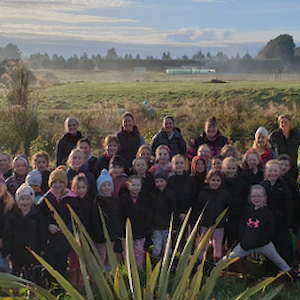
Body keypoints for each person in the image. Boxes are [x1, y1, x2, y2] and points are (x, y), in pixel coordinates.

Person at [215, 185, 292, 276]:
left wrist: (257, 242)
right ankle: (213, 270)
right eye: (254, 196)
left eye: (259, 196)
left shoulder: (268, 213)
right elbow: (242, 227)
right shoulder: (246, 210)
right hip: (246, 245)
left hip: (264, 245)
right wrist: (244, 241)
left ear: (265, 197)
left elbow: (269, 232)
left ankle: (290, 275)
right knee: (230, 257)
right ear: (250, 197)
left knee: (278, 260)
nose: (256, 198)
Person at [37, 166, 79, 277]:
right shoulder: (46, 199)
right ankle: (48, 288)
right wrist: (48, 225)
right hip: (50, 240)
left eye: (61, 182)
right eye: (55, 182)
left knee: (61, 265)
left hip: (65, 239)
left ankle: (60, 290)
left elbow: (74, 218)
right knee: (49, 266)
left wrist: (68, 229)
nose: (58, 185)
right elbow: (40, 216)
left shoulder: (71, 199)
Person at [2, 184, 47, 284]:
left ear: (32, 200)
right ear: (18, 201)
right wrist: (7, 250)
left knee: (31, 275)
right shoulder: (13, 216)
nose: (25, 202)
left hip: (32, 250)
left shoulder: (37, 216)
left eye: (28, 199)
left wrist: (42, 249)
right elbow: (8, 234)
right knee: (15, 273)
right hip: (16, 250)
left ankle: (31, 293)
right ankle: (15, 292)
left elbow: (42, 233)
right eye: (22, 199)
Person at [260, 160, 294, 265]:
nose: (272, 173)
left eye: (275, 171)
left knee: (284, 245)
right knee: (269, 244)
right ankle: (269, 267)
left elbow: (289, 206)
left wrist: (290, 224)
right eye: (270, 171)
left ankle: (287, 268)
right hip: (266, 221)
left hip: (281, 221)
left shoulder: (284, 187)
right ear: (266, 172)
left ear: (279, 173)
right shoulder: (262, 186)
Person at [193, 169, 230, 261]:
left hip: (219, 225)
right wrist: (201, 220)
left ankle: (216, 262)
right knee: (203, 245)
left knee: (218, 244)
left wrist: (224, 219)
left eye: (218, 180)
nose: (215, 183)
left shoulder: (225, 194)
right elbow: (198, 208)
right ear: (208, 180)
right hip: (205, 224)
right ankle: (200, 263)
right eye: (213, 180)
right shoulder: (203, 193)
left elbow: (229, 208)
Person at [119, 175, 152, 268]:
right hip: (126, 232)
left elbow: (148, 214)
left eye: (138, 185)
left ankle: (139, 270)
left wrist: (146, 228)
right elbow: (120, 216)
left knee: (139, 252)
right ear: (128, 186)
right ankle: (128, 270)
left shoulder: (145, 199)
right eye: (133, 185)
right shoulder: (123, 199)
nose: (136, 187)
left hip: (140, 232)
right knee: (127, 252)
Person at [68, 174, 93, 287]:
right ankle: (74, 278)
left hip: (87, 232)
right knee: (74, 257)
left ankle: (84, 278)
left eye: (83, 187)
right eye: (78, 188)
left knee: (85, 256)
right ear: (73, 188)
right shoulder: (72, 201)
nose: (81, 190)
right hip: (74, 233)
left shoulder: (90, 201)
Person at [92, 169, 119, 270]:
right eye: (103, 185)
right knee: (101, 256)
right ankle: (98, 275)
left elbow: (116, 217)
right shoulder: (97, 202)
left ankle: (108, 274)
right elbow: (95, 219)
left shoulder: (114, 201)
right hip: (101, 237)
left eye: (109, 185)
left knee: (109, 255)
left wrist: (116, 232)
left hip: (111, 234)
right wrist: (99, 234)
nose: (106, 187)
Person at [150, 169, 177, 263]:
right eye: (157, 181)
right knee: (157, 246)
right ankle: (155, 264)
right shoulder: (153, 195)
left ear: (166, 181)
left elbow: (174, 211)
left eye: (161, 181)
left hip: (167, 226)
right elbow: (151, 210)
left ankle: (168, 263)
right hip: (156, 226)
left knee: (167, 246)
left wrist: (174, 226)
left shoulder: (171, 194)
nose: (159, 183)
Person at [222, 157, 248, 249]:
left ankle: (235, 259)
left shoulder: (242, 183)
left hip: (237, 214)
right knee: (222, 238)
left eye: (233, 168)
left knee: (234, 237)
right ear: (223, 168)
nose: (230, 171)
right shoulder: (220, 182)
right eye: (228, 168)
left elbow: (245, 199)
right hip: (223, 214)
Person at [269, 114, 300, 180]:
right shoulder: (274, 136)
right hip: (277, 168)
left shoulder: (297, 136)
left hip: (292, 168)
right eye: (281, 122)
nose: (283, 124)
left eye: (286, 122)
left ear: (290, 123)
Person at [168, 154, 194, 229]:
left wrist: (187, 212)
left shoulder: (191, 180)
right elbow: (171, 198)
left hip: (188, 214)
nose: (179, 165)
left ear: (185, 165)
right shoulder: (170, 180)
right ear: (172, 165)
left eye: (181, 163)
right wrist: (179, 213)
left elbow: (193, 196)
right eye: (176, 163)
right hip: (174, 215)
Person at [0, 174, 15, 273]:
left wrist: (4, 242)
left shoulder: (10, 204)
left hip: (5, 243)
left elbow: (10, 226)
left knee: (4, 269)